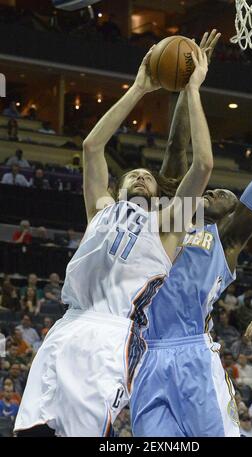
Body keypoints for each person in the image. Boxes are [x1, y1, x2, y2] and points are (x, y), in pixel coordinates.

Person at [14, 44, 213, 437]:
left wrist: (192, 91)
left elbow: (203, 165)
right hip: (66, 326)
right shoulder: (101, 208)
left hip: (112, 333)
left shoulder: (166, 224)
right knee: (31, 431)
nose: (140, 176)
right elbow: (91, 146)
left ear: (157, 192)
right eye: (132, 174)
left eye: (148, 176)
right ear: (118, 186)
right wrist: (139, 88)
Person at [131, 58, 252, 437]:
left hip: (194, 356)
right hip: (146, 354)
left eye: (226, 194)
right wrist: (189, 88)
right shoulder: (172, 215)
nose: (217, 190)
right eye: (212, 188)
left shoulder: (225, 239)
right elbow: (177, 149)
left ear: (229, 213)